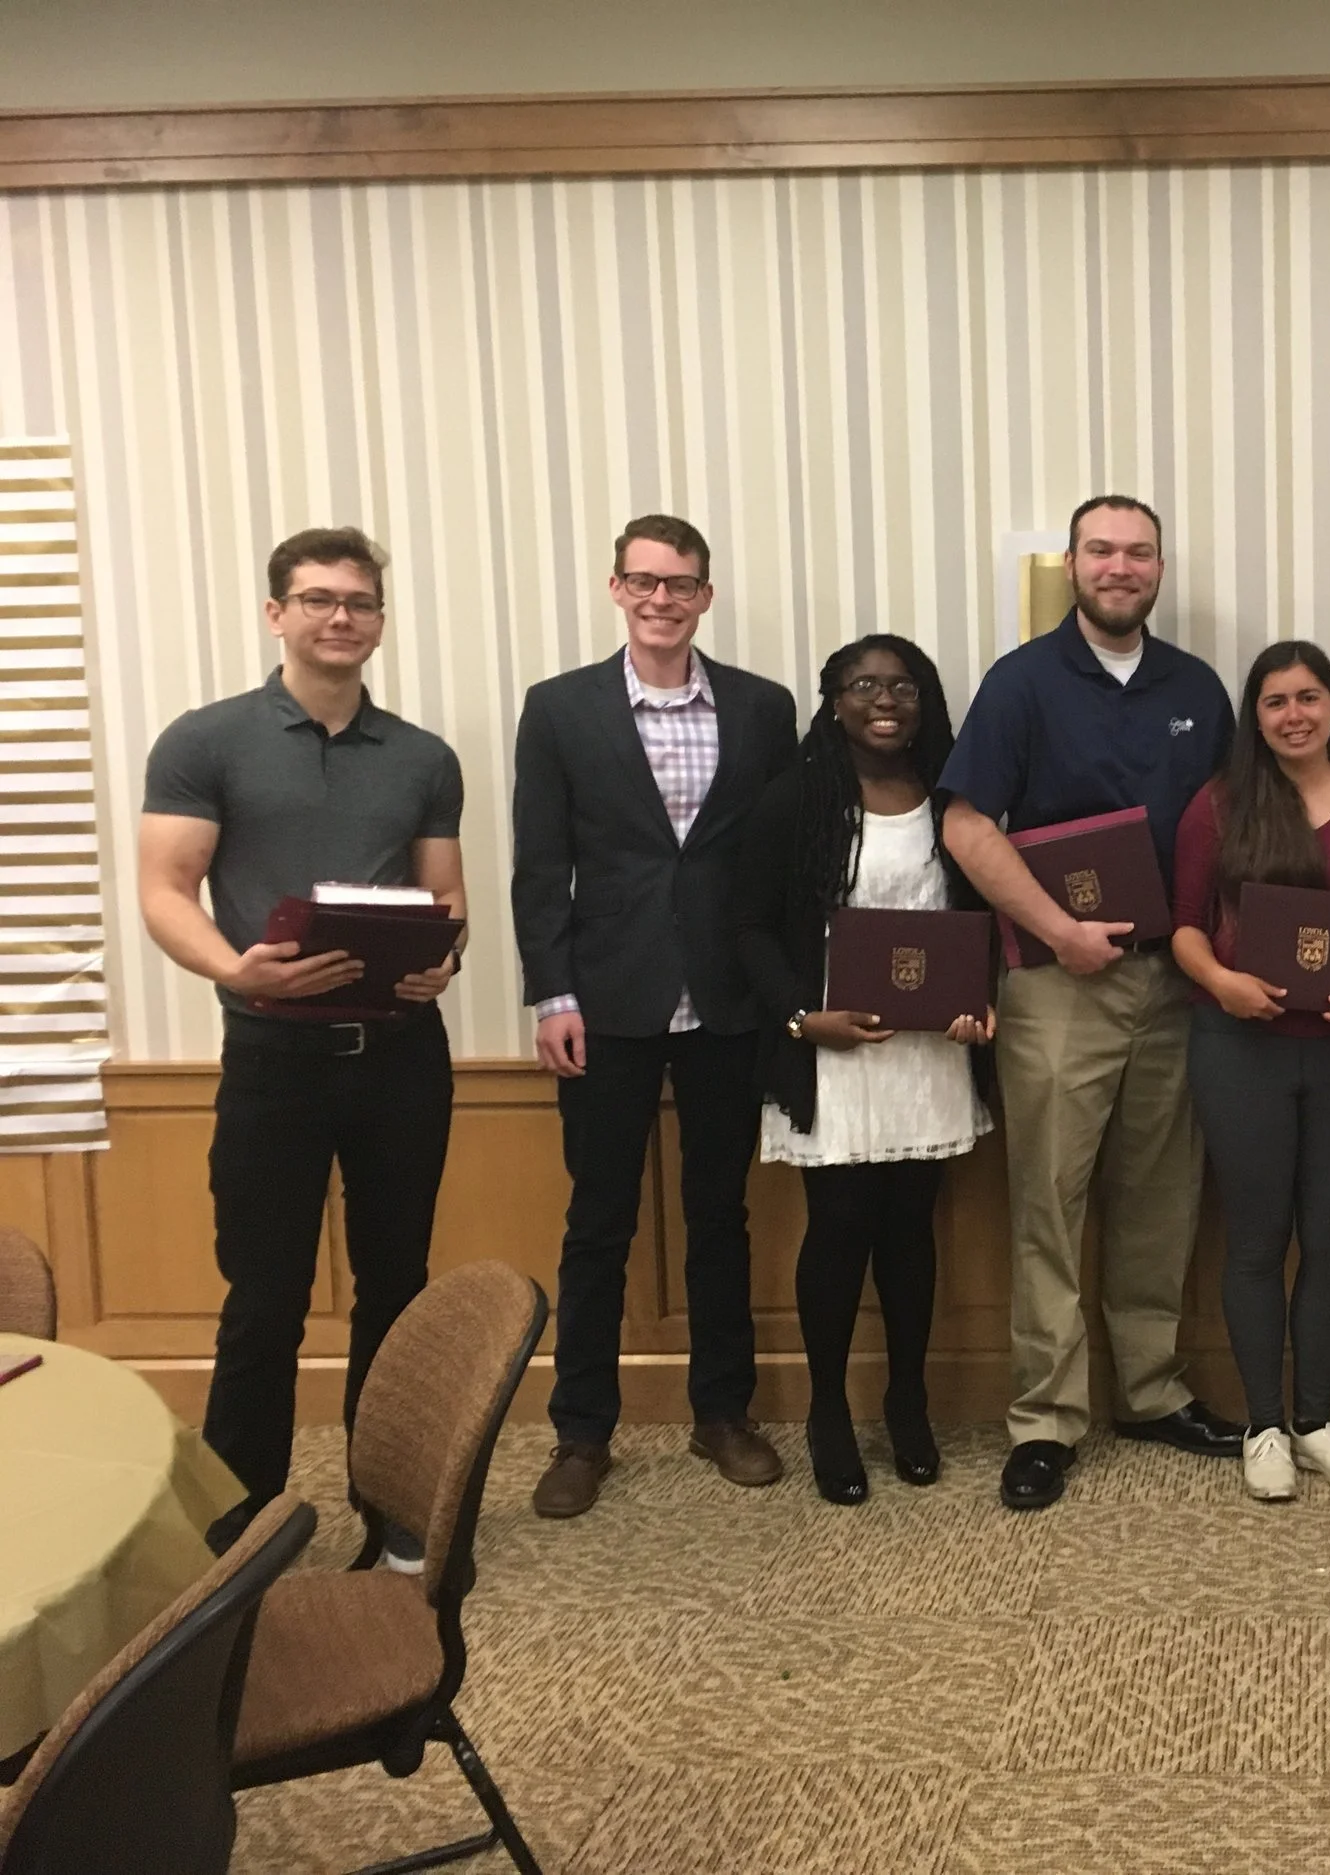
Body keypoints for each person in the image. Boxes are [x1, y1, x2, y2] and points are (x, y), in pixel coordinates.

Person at [136, 526, 464, 1556]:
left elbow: (446, 899)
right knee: (265, 1299)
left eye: (359, 602)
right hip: (272, 1059)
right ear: (277, 613)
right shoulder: (204, 741)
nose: (340, 618)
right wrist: (235, 970)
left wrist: (445, 958)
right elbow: (164, 888)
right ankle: (241, 1527)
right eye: (319, 599)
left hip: (402, 1059)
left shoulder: (423, 756)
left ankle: (394, 1508)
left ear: (380, 622)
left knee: (396, 1288)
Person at [937, 494, 1241, 1512]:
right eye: (1101, 550)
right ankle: (1045, 1420)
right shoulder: (1021, 682)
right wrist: (1057, 930)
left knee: (1162, 1197)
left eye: (1138, 552)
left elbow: (1230, 827)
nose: (1120, 567)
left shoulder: (1194, 687)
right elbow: (967, 826)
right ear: (1070, 564)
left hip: (1172, 981)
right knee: (1050, 1204)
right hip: (1056, 983)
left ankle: (1150, 1391)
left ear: (1160, 568)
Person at [512, 514, 799, 1518]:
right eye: (644, 581)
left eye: (680, 584)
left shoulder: (763, 708)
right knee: (599, 1221)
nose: (662, 599)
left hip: (726, 1002)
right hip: (605, 1003)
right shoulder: (559, 708)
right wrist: (552, 994)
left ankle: (723, 1413)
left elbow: (776, 860)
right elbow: (541, 867)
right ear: (616, 588)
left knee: (721, 1215)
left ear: (705, 596)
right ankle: (582, 1432)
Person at [733, 636, 991, 1506]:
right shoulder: (796, 798)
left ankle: (907, 1400)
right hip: (833, 1054)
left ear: (926, 700)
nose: (886, 700)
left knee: (911, 1229)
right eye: (865, 685)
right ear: (834, 700)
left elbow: (978, 916)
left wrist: (977, 1000)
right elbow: (750, 927)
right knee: (840, 1227)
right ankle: (828, 1412)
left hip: (929, 1052)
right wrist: (801, 1017)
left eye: (904, 686)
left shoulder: (952, 797)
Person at [1171, 641, 1330, 1502]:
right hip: (1241, 1046)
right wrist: (1223, 983)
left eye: (1309, 697)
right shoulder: (1220, 804)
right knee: (1255, 1239)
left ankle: (1316, 1420)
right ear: (1257, 715)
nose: (1294, 715)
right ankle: (1264, 1426)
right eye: (1275, 701)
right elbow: (1183, 925)